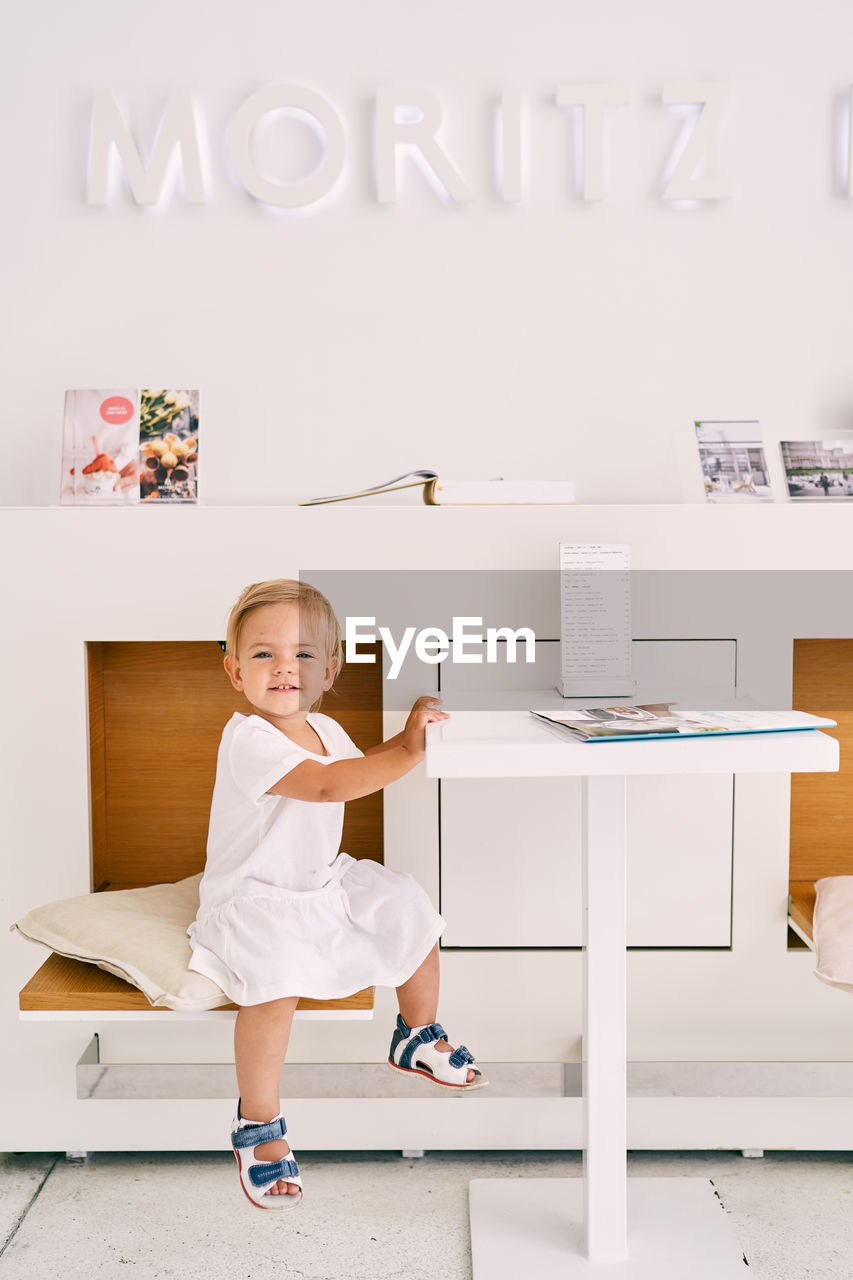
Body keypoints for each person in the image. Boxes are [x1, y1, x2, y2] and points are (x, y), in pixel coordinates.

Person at [186, 579, 487, 1211]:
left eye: (302, 654)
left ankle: (416, 1031)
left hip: (318, 881)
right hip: (255, 899)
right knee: (273, 986)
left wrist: (413, 737)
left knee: (410, 908)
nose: (284, 668)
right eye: (264, 654)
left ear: (331, 668)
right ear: (235, 671)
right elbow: (327, 789)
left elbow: (356, 764)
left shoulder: (321, 726)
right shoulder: (248, 739)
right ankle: (257, 1122)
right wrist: (406, 750)